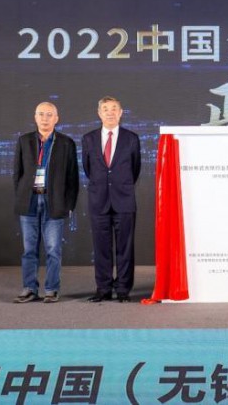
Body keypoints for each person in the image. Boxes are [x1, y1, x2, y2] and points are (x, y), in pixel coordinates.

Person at [13, 102, 79, 303]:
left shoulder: (66, 143)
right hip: (29, 201)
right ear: (35, 117)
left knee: (53, 250)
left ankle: (52, 289)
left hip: (55, 202)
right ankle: (29, 288)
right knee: (29, 250)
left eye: (49, 114)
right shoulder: (24, 141)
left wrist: (69, 205)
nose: (45, 118)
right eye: (41, 114)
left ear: (56, 118)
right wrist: (21, 196)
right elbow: (17, 173)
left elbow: (72, 178)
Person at [82, 96, 141, 303]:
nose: (110, 112)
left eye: (114, 108)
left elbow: (135, 169)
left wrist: (120, 185)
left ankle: (123, 289)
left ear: (120, 113)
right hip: (99, 200)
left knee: (125, 248)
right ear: (99, 113)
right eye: (105, 109)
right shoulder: (88, 139)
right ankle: (103, 289)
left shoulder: (131, 138)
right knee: (101, 248)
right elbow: (88, 169)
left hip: (124, 200)